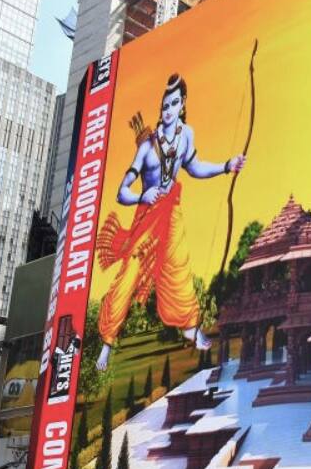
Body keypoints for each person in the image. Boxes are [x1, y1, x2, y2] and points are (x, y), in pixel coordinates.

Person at [95, 73, 245, 370]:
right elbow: (121, 192)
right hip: (146, 217)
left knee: (178, 267)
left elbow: (194, 167)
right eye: (164, 104)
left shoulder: (186, 135)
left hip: (171, 211)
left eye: (174, 103)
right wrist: (142, 195)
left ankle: (190, 327)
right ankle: (107, 343)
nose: (168, 110)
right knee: (129, 276)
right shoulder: (147, 146)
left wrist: (226, 166)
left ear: (182, 104)